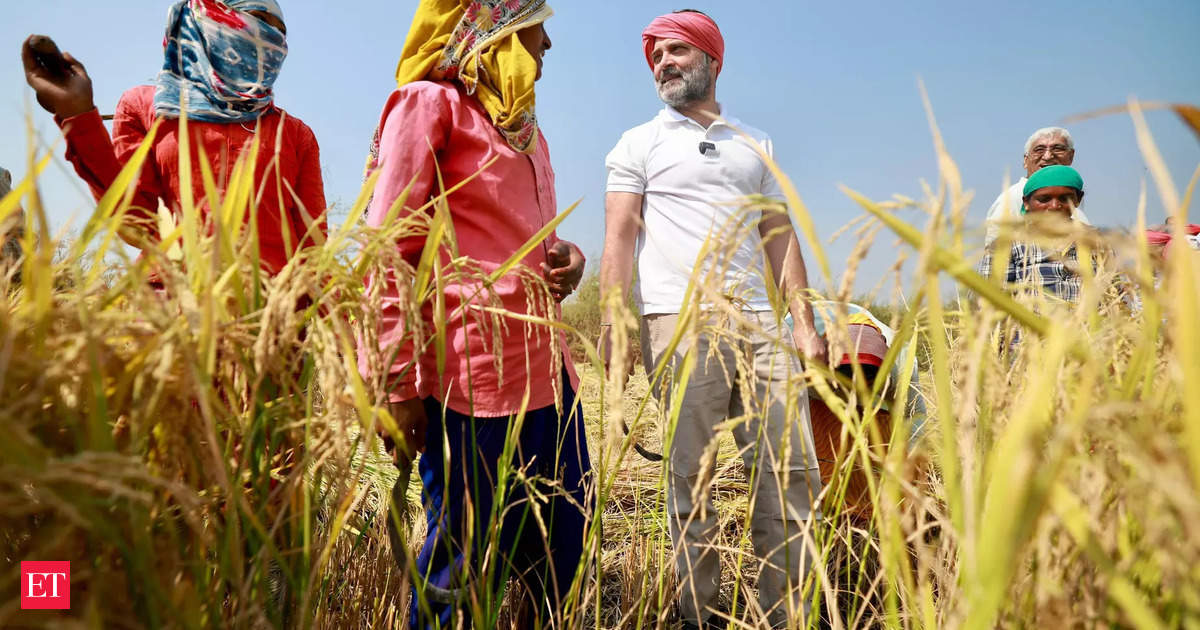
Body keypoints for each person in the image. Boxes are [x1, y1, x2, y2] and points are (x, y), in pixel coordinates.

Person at [356, 1, 589, 627]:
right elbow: (389, 251)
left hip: (551, 380)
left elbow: (533, 238)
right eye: (537, 24)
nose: (547, 44)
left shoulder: (527, 131)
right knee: (458, 566)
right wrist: (396, 382)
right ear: (499, 32)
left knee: (563, 547)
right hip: (474, 385)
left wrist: (570, 258)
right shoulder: (427, 107)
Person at [598, 9, 826, 628]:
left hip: (760, 323)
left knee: (790, 473)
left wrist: (802, 323)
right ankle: (699, 614)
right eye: (656, 56)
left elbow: (778, 233)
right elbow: (619, 239)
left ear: (711, 58)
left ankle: (786, 614)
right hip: (678, 319)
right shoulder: (638, 143)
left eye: (675, 51)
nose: (663, 63)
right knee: (688, 481)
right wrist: (616, 326)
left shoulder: (756, 143)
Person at [21, 0, 326, 275]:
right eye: (257, 21)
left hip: (270, 317)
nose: (271, 40)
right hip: (172, 310)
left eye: (279, 32)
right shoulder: (145, 108)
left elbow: (314, 249)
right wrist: (80, 114)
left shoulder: (295, 135)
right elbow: (135, 226)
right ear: (209, 20)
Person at [978, 165, 1089, 304]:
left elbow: (1114, 293)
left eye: (1065, 198)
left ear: (1078, 199)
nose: (1055, 206)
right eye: (1044, 199)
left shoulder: (1095, 241)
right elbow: (989, 302)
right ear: (1026, 203)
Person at [984, 126, 1091, 246]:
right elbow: (995, 252)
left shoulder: (1074, 195)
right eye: (1039, 150)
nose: (1048, 156)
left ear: (1071, 156)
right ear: (1026, 160)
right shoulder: (1013, 198)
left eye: (1057, 149)